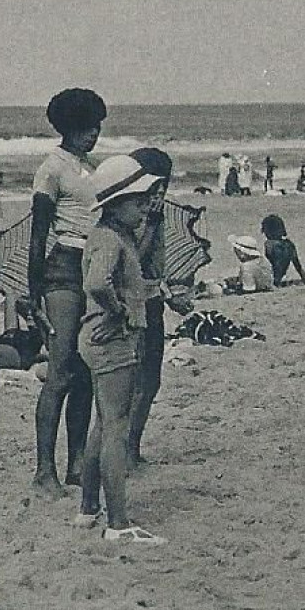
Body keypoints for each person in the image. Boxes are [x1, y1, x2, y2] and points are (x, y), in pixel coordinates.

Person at [74, 156, 166, 544]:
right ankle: (119, 524)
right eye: (139, 200)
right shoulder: (112, 239)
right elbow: (97, 284)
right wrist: (122, 311)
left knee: (103, 421)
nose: (146, 206)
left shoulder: (105, 234)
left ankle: (88, 508)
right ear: (117, 203)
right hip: (111, 340)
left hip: (94, 336)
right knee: (116, 428)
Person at [28, 88, 103, 495]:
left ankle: (75, 464)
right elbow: (38, 235)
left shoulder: (88, 167)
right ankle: (44, 471)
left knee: (85, 371)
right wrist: (32, 293)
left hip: (91, 267)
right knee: (59, 373)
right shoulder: (51, 169)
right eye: (87, 127)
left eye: (97, 127)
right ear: (69, 128)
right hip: (60, 269)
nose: (94, 134)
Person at [126, 147, 193, 467]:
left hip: (152, 301)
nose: (162, 191)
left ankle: (132, 447)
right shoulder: (127, 213)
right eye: (158, 184)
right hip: (129, 307)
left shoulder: (154, 212)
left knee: (150, 380)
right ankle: (124, 449)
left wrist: (170, 292)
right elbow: (131, 262)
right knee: (135, 380)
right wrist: (150, 222)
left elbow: (154, 268)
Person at [260, 214, 305, 286]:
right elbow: (298, 266)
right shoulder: (289, 244)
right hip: (280, 276)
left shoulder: (269, 244)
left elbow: (272, 265)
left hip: (273, 277)